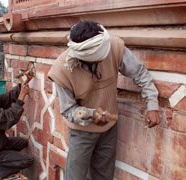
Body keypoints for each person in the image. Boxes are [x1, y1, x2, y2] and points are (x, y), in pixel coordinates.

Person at [48, 20, 161, 180]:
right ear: (81, 56)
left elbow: (140, 73)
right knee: (75, 177)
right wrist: (91, 115)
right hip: (81, 133)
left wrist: (152, 105)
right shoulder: (61, 70)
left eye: (102, 55)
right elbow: (68, 111)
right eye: (96, 58)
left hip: (109, 128)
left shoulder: (112, 45)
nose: (102, 60)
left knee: (104, 176)